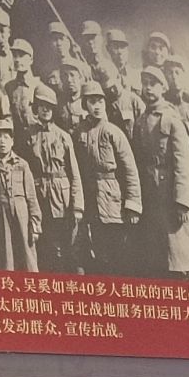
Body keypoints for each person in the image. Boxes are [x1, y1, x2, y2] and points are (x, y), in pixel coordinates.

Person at [133, 64, 189, 280]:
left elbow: (184, 162)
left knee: (186, 253)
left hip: (172, 194)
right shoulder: (140, 122)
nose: (148, 88)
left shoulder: (172, 119)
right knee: (163, 258)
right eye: (145, 84)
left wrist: (182, 200)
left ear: (163, 88)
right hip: (153, 194)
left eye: (153, 84)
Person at [75, 83, 141, 273]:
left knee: (118, 250)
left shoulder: (113, 131)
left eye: (100, 101)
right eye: (92, 102)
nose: (96, 106)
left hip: (113, 200)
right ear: (85, 104)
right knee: (98, 249)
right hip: (91, 199)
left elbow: (130, 169)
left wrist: (133, 204)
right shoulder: (79, 132)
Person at [26, 86, 82, 275]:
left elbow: (74, 173)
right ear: (36, 108)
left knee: (65, 247)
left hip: (61, 198)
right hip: (39, 196)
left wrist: (77, 205)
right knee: (45, 247)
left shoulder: (63, 136)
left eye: (49, 106)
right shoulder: (28, 136)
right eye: (41, 105)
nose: (45, 110)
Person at [0, 120, 40, 272]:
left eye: (6, 137)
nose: (2, 142)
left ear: (12, 141)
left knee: (28, 256)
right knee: (7, 258)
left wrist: (35, 223)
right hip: (2, 217)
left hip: (23, 217)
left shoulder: (22, 164)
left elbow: (32, 197)